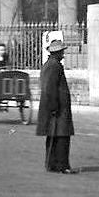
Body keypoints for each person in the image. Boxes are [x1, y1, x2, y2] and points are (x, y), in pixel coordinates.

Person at [35, 40, 75, 173]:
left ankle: (53, 164)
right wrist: (53, 106)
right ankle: (61, 165)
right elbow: (49, 88)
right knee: (61, 137)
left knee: (56, 136)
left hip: (56, 107)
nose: (63, 54)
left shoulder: (52, 64)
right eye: (61, 52)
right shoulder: (53, 66)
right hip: (57, 108)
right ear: (57, 53)